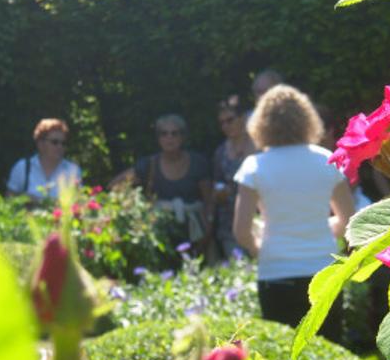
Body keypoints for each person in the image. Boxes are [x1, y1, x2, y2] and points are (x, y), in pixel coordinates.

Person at [233, 85, 354, 342]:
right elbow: (349, 221)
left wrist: (262, 249)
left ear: (261, 123)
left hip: (275, 273)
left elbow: (241, 231)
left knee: (285, 358)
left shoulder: (254, 166)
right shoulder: (327, 160)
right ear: (307, 120)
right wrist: (319, 228)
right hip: (322, 272)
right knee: (329, 353)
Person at [112, 114, 213, 252]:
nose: (169, 138)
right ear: (158, 138)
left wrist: (208, 227)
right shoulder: (148, 165)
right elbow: (115, 186)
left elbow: (209, 200)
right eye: (164, 134)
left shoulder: (198, 163)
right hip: (160, 235)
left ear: (182, 137)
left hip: (196, 232)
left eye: (174, 133)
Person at [212, 96, 256, 259]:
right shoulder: (220, 152)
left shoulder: (260, 147)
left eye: (230, 120)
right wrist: (219, 193)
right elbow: (216, 184)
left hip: (259, 222)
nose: (226, 126)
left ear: (243, 118)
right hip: (230, 225)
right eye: (222, 123)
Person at [6, 119, 81, 201]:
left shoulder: (72, 171)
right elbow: (9, 201)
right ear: (40, 143)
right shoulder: (23, 168)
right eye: (54, 142)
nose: (60, 147)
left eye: (63, 143)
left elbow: (78, 204)